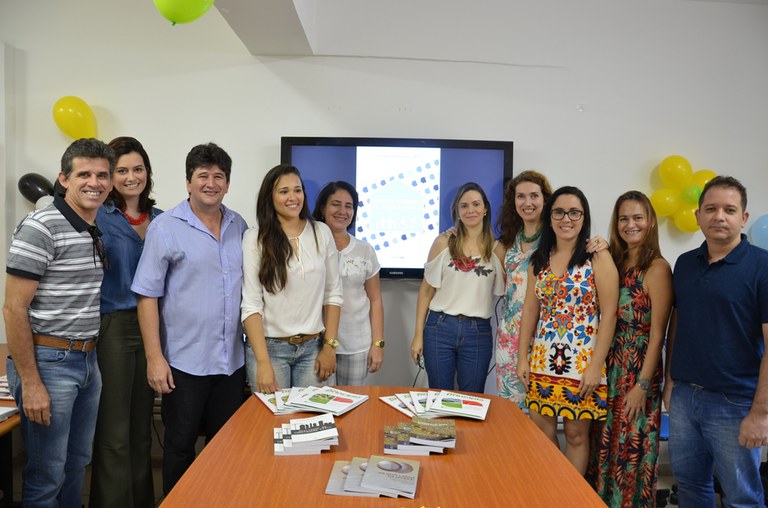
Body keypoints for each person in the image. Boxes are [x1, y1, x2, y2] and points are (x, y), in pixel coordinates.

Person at [131, 142, 248, 495]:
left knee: (226, 448)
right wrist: (155, 358)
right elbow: (147, 295)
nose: (211, 183)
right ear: (188, 182)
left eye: (218, 176)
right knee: (180, 448)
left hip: (231, 362)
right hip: (184, 364)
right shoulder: (165, 227)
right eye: (203, 176)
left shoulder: (239, 225)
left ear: (228, 183)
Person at [3, 138, 114, 506]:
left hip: (87, 360)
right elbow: (13, 309)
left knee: (76, 464)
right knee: (47, 474)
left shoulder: (92, 226)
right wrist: (31, 383)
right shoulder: (41, 226)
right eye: (84, 174)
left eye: (102, 175)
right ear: (64, 179)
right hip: (48, 365)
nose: (94, 182)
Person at [664, 175, 768, 506]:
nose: (719, 216)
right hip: (685, 397)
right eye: (710, 209)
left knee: (742, 498)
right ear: (698, 216)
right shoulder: (685, 264)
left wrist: (760, 414)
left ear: (744, 218)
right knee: (691, 486)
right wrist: (670, 381)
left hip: (735, 403)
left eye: (729, 210)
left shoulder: (763, 267)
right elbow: (678, 323)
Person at [517, 186, 619, 475]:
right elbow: (530, 311)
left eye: (575, 212)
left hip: (582, 364)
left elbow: (609, 314)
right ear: (549, 218)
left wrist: (595, 366)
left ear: (584, 217)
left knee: (575, 436)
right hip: (542, 360)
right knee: (541, 433)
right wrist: (522, 358)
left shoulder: (596, 256)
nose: (566, 219)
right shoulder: (539, 259)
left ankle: (571, 495)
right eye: (559, 212)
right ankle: (553, 488)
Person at [587, 191, 672, 506]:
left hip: (637, 371)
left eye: (638, 217)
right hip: (609, 366)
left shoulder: (657, 268)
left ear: (650, 222)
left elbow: (658, 334)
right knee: (602, 446)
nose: (630, 224)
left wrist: (643, 386)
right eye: (623, 218)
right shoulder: (614, 261)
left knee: (629, 452)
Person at [89, 137, 162, 508]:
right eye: (122, 170)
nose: (131, 177)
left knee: (142, 432)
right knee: (114, 432)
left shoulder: (162, 219)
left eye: (138, 169)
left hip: (154, 330)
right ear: (110, 175)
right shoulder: (98, 215)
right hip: (113, 327)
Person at [241, 164, 343, 393]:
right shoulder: (254, 238)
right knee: (273, 415)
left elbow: (333, 294)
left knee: (313, 415)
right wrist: (263, 363)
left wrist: (330, 347)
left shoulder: (321, 232)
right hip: (270, 350)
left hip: (314, 348)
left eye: (297, 190)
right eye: (283, 191)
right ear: (270, 197)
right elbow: (251, 305)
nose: (293, 197)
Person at [410, 182, 504, 393]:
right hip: (439, 328)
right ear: (457, 212)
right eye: (464, 206)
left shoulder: (498, 250)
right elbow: (426, 291)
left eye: (476, 204)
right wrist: (417, 336)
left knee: (472, 399)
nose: (470, 210)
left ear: (485, 209)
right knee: (439, 397)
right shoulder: (443, 243)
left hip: (478, 332)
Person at [312, 181, 385, 385]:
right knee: (319, 402)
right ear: (323, 208)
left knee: (353, 403)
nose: (342, 211)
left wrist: (377, 344)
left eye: (349, 206)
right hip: (315, 344)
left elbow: (376, 299)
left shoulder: (365, 250)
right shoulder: (309, 246)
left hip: (356, 345)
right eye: (335, 204)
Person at [494, 170, 554, 406]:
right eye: (521, 196)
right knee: (511, 411)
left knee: (542, 412)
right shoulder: (507, 242)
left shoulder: (557, 238)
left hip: (544, 336)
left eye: (534, 196)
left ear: (545, 200)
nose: (527, 202)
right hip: (510, 339)